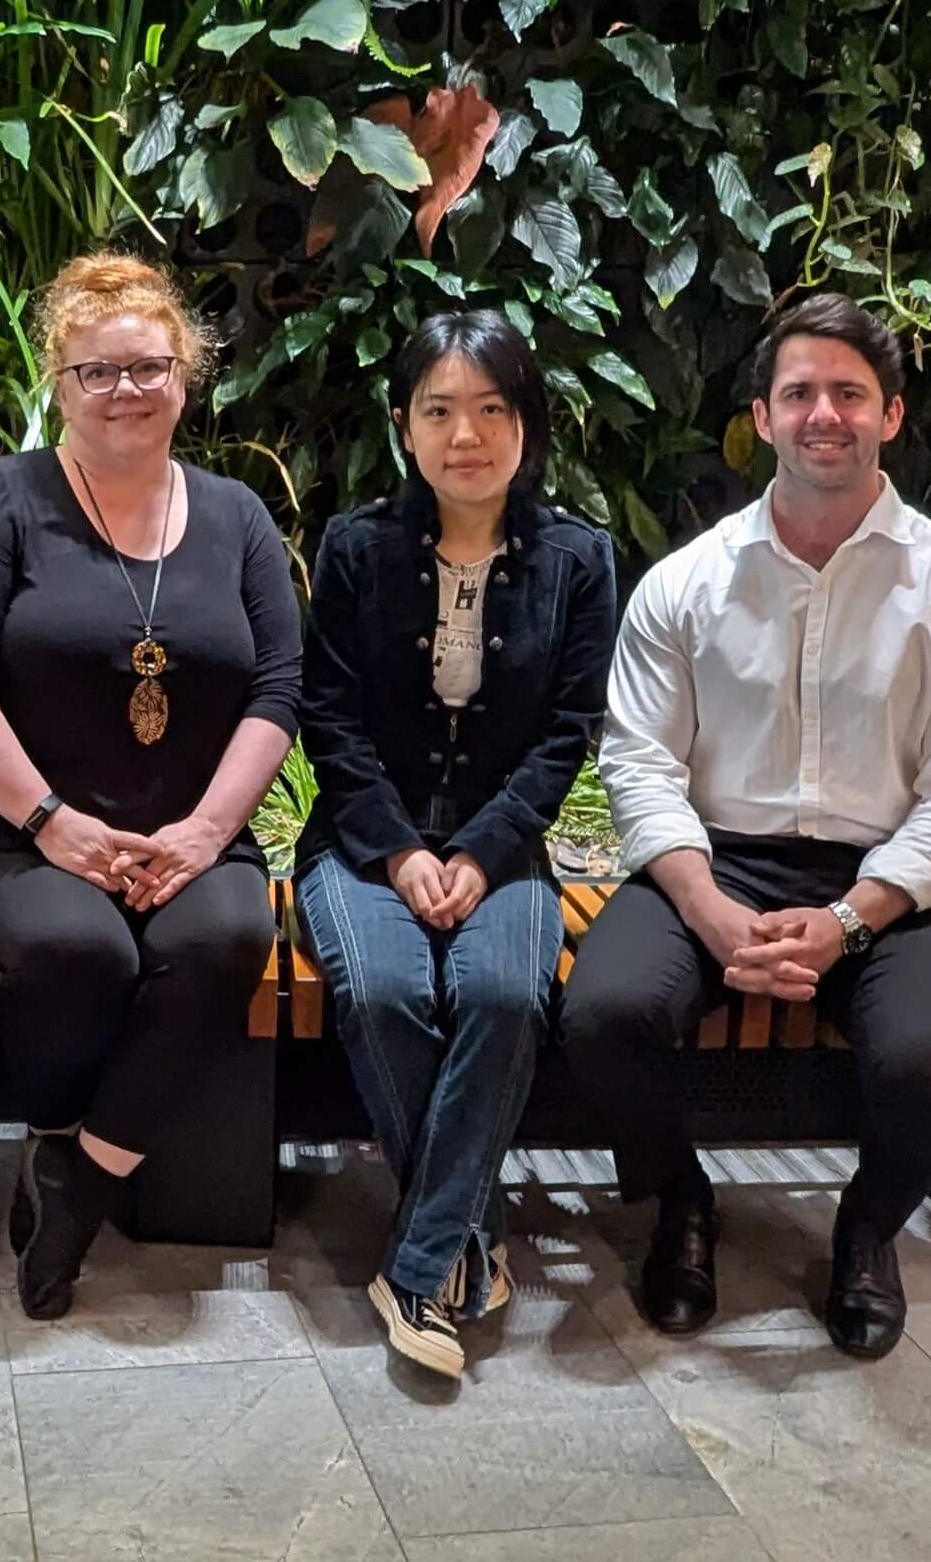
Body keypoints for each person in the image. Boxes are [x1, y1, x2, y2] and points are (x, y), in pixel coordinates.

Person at [561, 293, 931, 1359]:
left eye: (850, 394)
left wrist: (853, 919)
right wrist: (710, 909)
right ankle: (681, 1203)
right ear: (763, 419)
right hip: (713, 862)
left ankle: (867, 1229)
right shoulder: (686, 585)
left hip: (885, 879)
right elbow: (638, 759)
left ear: (892, 416)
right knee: (603, 1014)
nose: (826, 414)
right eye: (800, 393)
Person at [0, 253, 303, 1321]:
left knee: (222, 937)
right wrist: (51, 823)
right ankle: (55, 1134)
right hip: (6, 830)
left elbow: (280, 684)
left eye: (147, 366)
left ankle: (76, 1183)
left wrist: (205, 831)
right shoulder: (5, 500)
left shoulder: (234, 515)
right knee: (77, 943)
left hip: (192, 828)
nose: (126, 390)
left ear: (187, 374)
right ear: (59, 381)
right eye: (98, 372)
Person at [293, 311, 617, 1379]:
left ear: (528, 425)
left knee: (506, 994)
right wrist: (397, 852)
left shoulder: (579, 558)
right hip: (359, 843)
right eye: (438, 410)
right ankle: (466, 1240)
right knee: (382, 988)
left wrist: (477, 851)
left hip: (505, 847)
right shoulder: (354, 549)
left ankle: (416, 1261)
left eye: (491, 409)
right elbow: (327, 718)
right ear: (404, 426)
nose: (465, 434)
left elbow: (570, 730)